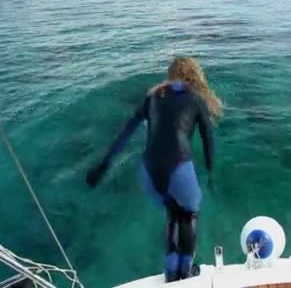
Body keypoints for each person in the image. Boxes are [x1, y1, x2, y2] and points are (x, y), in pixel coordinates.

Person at [86, 56, 222, 282]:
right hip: (178, 166)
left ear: (171, 76)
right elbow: (208, 141)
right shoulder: (196, 99)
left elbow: (125, 133)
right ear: (194, 76)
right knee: (189, 215)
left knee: (172, 214)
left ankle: (170, 272)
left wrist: (103, 165)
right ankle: (186, 270)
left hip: (149, 171)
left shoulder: (152, 97)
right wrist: (210, 173)